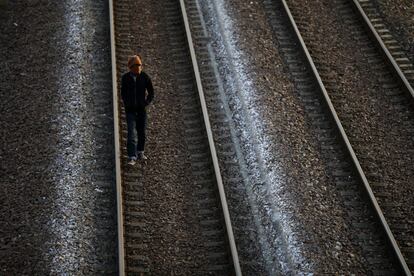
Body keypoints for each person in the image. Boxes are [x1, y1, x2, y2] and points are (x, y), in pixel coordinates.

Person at [121, 55, 154, 165]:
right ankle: (132, 156)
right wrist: (127, 103)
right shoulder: (125, 78)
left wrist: (146, 102)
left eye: (140, 66)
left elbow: (151, 92)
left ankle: (140, 152)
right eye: (137, 66)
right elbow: (123, 93)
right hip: (130, 110)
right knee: (131, 133)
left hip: (141, 110)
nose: (139, 68)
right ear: (131, 67)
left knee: (142, 132)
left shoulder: (145, 77)